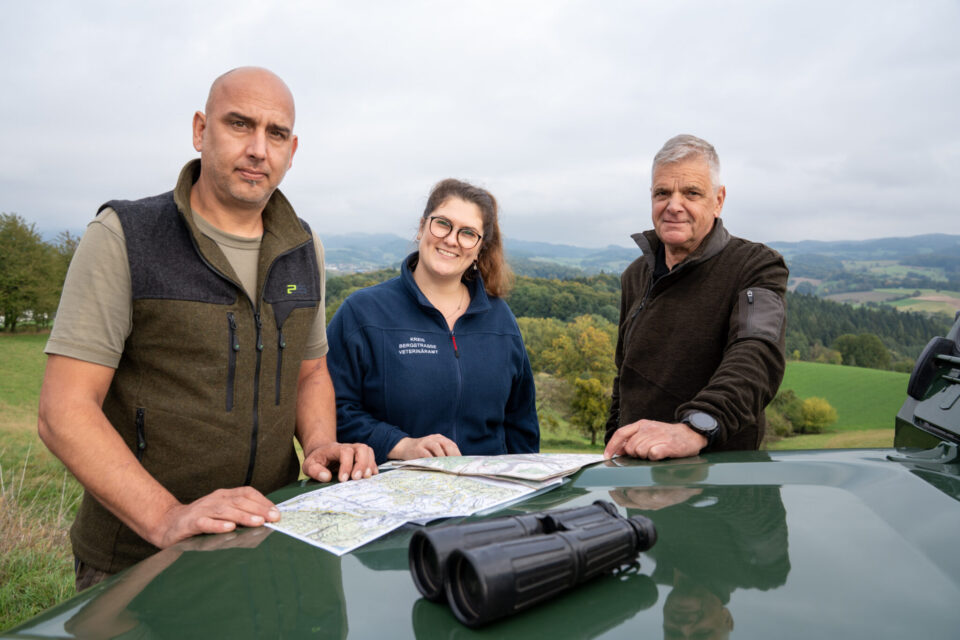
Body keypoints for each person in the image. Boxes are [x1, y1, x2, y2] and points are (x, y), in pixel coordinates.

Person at [37, 67, 376, 589]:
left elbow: (310, 374)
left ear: (292, 149)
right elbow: (64, 410)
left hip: (271, 536)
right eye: (240, 124)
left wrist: (319, 444)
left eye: (276, 133)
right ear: (200, 130)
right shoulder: (123, 236)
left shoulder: (305, 248)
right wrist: (167, 516)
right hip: (139, 558)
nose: (259, 148)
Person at [326, 179, 539, 463]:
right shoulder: (363, 312)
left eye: (468, 233)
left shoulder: (501, 321)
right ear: (422, 226)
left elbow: (520, 424)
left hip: (487, 497)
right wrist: (400, 445)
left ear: (480, 248)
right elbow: (333, 409)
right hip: (388, 494)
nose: (451, 239)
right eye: (443, 224)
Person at [603, 134, 787, 461]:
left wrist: (696, 427)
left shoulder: (756, 266)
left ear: (718, 200)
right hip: (639, 479)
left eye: (691, 192)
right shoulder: (635, 275)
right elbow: (625, 374)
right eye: (662, 193)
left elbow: (757, 354)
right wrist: (613, 444)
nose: (674, 206)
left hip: (722, 485)